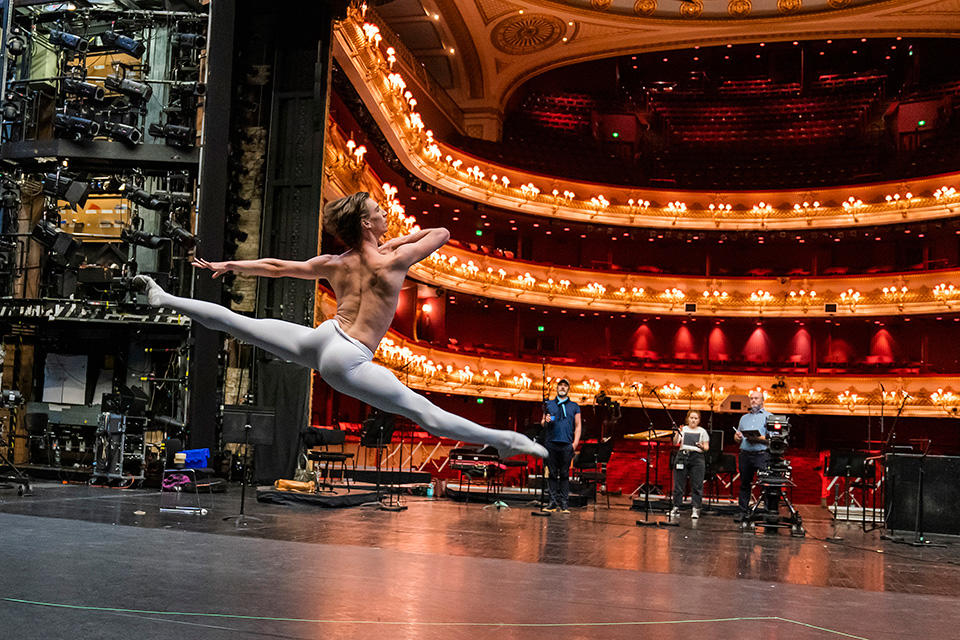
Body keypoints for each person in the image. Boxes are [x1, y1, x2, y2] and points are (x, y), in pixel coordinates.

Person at [133, 191, 547, 461]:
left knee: (238, 323)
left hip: (322, 339)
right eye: (379, 213)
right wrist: (394, 244)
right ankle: (505, 441)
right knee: (427, 414)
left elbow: (277, 268)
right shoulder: (395, 260)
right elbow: (441, 231)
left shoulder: (335, 263)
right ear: (366, 224)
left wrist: (230, 264)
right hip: (348, 358)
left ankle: (165, 298)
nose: (386, 215)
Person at [540, 378, 581, 513]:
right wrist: (546, 420)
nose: (562, 387)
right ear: (557, 388)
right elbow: (543, 422)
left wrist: (575, 443)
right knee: (552, 474)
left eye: (565, 386)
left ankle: (564, 504)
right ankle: (552, 503)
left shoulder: (574, 406)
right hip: (551, 443)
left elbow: (578, 425)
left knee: (564, 474)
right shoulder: (549, 404)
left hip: (566, 444)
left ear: (568, 389)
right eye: (560, 385)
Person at [733, 389, 773, 520]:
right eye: (752, 398)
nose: (754, 400)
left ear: (762, 401)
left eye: (756, 398)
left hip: (761, 454)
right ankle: (743, 511)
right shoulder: (744, 418)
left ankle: (767, 512)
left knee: (765, 484)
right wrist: (737, 437)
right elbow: (737, 437)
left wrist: (760, 438)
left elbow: (774, 438)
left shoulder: (769, 416)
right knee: (745, 483)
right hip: (745, 454)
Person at [668, 410, 709, 520]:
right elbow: (675, 442)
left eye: (696, 418)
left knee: (697, 484)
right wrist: (677, 433)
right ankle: (676, 506)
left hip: (697, 458)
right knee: (678, 484)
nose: (693, 420)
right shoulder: (684, 429)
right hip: (683, 456)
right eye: (691, 418)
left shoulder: (702, 431)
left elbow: (706, 447)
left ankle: (696, 508)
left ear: (699, 420)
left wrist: (701, 446)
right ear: (688, 419)